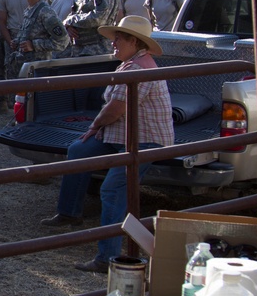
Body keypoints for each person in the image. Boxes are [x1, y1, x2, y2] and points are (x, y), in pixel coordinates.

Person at [40, 15, 174, 273]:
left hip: (145, 141)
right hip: (126, 136)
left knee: (113, 188)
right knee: (79, 150)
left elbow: (114, 110)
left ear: (134, 41)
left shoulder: (136, 69)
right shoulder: (133, 64)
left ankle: (107, 257)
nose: (114, 43)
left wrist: (94, 126)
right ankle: (69, 212)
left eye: (119, 38)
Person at [7, 0, 70, 78]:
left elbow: (63, 41)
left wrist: (34, 45)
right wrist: (18, 42)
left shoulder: (45, 12)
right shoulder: (30, 10)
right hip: (24, 71)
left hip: (37, 73)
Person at [0, 0, 30, 109]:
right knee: (12, 71)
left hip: (30, 37)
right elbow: (1, 21)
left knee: (29, 72)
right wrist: (9, 40)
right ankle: (12, 105)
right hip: (13, 35)